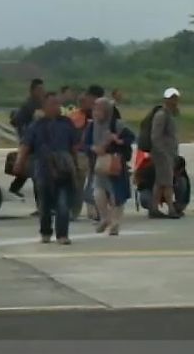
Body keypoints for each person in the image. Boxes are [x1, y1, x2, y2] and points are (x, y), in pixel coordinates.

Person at [17, 93, 81, 244]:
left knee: (63, 203)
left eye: (58, 104)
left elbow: (74, 146)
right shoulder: (36, 126)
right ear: (44, 107)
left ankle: (62, 235)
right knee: (44, 204)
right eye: (52, 104)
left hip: (64, 166)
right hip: (43, 167)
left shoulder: (67, 123)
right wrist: (20, 162)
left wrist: (76, 165)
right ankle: (45, 232)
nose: (56, 107)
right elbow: (25, 145)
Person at [82, 97, 134, 236]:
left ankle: (115, 223)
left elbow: (131, 138)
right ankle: (105, 218)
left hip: (116, 164)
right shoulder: (92, 126)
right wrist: (93, 148)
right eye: (94, 109)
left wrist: (118, 140)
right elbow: (84, 144)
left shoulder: (117, 125)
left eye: (99, 110)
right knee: (98, 192)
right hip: (99, 165)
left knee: (117, 195)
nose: (95, 113)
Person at [7, 79, 45, 199]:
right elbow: (16, 121)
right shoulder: (28, 105)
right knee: (35, 173)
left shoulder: (42, 103)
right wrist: (25, 135)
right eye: (39, 90)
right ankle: (41, 206)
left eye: (42, 89)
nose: (42, 92)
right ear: (32, 91)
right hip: (31, 144)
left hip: (40, 143)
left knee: (30, 170)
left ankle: (14, 188)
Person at [149, 88, 182, 219]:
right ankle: (171, 209)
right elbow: (155, 136)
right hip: (162, 154)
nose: (174, 101)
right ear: (165, 99)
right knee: (167, 182)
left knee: (161, 182)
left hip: (168, 153)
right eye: (171, 98)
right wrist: (163, 153)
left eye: (175, 98)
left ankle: (154, 208)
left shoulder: (170, 114)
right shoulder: (161, 115)